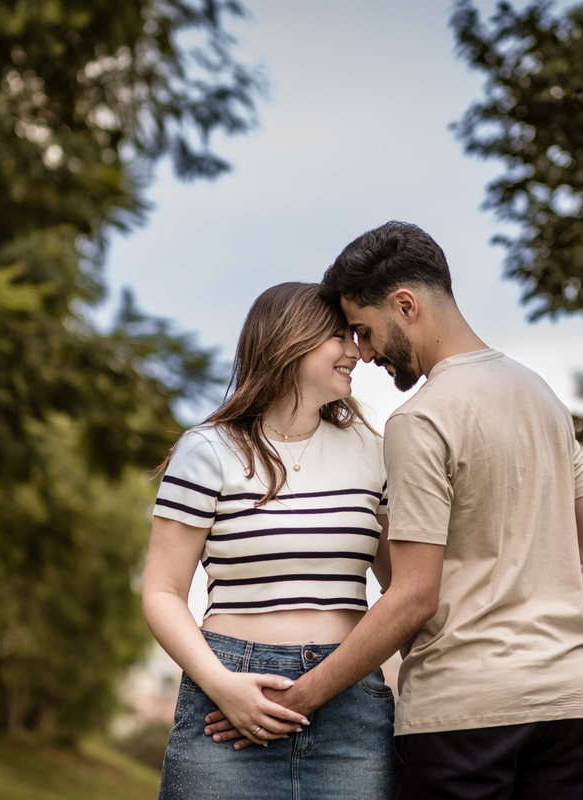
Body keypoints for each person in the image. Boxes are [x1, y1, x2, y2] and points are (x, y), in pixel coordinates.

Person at [205, 222, 583, 799]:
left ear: (405, 305)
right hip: (570, 701)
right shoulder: (541, 395)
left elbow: (412, 596)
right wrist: (524, 584)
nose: (365, 353)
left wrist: (299, 699)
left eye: (365, 331)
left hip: (464, 715)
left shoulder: (421, 419)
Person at [141, 282, 396, 800]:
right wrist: (222, 685)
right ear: (290, 341)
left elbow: (403, 585)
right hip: (227, 697)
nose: (355, 352)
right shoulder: (207, 450)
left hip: (351, 702)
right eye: (337, 337)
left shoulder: (375, 450)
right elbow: (162, 592)